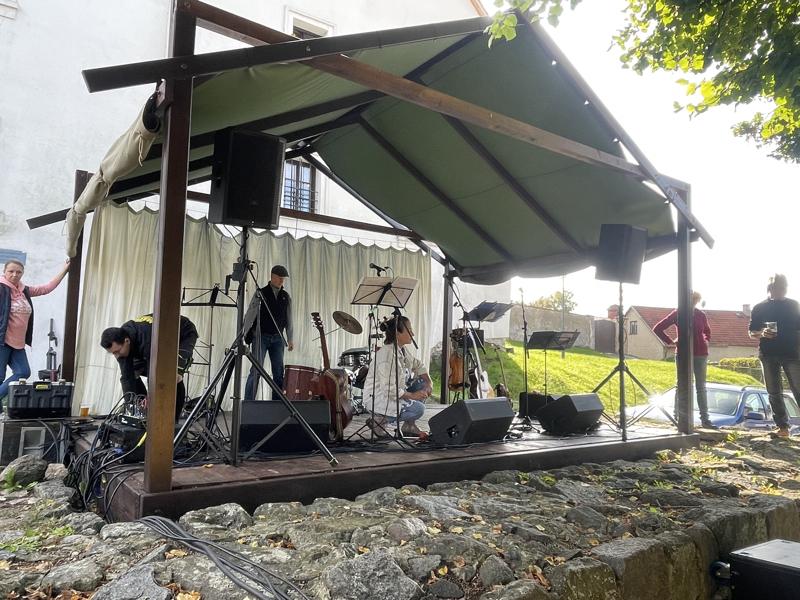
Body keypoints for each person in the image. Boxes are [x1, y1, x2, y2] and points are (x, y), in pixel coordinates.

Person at [100, 314, 198, 421]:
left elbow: (154, 374)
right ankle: (142, 414)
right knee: (133, 373)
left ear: (127, 341)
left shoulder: (147, 340)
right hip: (156, 339)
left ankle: (173, 420)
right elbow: (127, 377)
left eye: (117, 351)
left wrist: (151, 397)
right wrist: (130, 406)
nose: (117, 356)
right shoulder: (122, 341)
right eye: (113, 353)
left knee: (173, 376)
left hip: (183, 333)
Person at [0, 258, 71, 405]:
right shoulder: (1, 288)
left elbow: (46, 288)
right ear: (4, 272)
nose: (14, 274)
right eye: (11, 271)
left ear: (22, 273)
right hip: (2, 341)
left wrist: (65, 269)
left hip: (18, 343)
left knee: (23, 372)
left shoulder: (24, 291)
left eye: (18, 272)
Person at [748, 274, 800, 438]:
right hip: (768, 354)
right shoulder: (759, 307)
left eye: (783, 288)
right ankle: (783, 428)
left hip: (792, 353)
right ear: (770, 289)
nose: (780, 291)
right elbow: (751, 332)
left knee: (798, 389)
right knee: (773, 392)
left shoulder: (794, 305)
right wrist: (762, 333)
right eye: (776, 288)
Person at [653, 291, 714, 428]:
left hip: (701, 354)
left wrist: (706, 340)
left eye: (696, 300)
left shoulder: (701, 315)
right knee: (681, 385)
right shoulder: (678, 313)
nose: (694, 303)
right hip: (683, 353)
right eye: (692, 300)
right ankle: (677, 417)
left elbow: (707, 331)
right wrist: (670, 342)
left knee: (701, 387)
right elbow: (658, 328)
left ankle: (705, 420)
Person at [363, 315, 431, 437]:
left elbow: (418, 365)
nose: (413, 334)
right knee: (418, 409)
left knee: (422, 383)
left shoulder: (401, 349)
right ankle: (379, 421)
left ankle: (409, 426)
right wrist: (412, 395)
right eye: (409, 330)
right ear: (397, 333)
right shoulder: (387, 355)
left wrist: (428, 382)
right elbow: (388, 389)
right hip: (379, 398)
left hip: (394, 393)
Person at [244, 265, 293, 400]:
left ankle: (277, 404)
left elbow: (289, 319)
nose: (282, 280)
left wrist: (290, 338)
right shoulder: (261, 293)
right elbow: (251, 312)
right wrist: (245, 332)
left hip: (278, 338)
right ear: (272, 277)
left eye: (283, 278)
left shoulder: (285, 297)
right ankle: (248, 403)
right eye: (279, 277)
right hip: (261, 336)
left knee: (278, 372)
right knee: (256, 370)